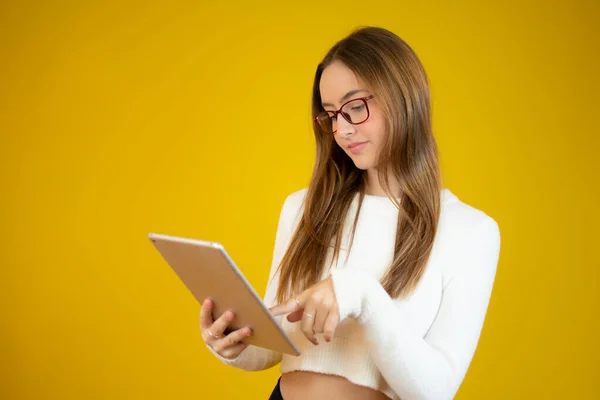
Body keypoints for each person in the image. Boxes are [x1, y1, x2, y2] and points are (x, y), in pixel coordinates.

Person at [199, 26, 501, 400]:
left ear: (404, 98)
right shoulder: (303, 207)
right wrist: (233, 341)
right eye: (330, 115)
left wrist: (359, 293)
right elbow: (273, 349)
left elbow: (435, 392)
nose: (341, 130)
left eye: (355, 107)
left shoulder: (469, 231)